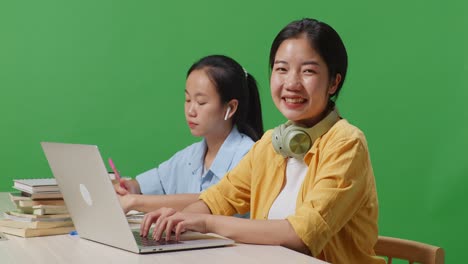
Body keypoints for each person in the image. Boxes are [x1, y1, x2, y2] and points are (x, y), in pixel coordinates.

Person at [139, 18, 385, 263]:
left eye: (308, 71)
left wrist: (205, 223)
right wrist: (177, 220)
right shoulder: (271, 144)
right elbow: (217, 199)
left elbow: (301, 234)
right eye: (281, 69)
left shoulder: (347, 143)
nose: (291, 83)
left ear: (333, 82)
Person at [115, 55, 264, 213]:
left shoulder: (249, 155)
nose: (191, 111)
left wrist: (135, 201)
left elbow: (210, 201)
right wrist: (131, 187)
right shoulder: (189, 156)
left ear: (231, 108)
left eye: (201, 102)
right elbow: (151, 182)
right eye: (187, 99)